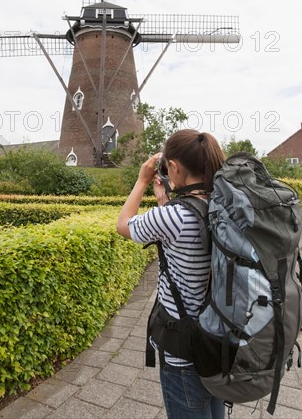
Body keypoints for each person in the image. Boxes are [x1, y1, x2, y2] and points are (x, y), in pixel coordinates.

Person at [117, 129, 226, 419]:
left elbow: (124, 225)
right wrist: (164, 200)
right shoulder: (221, 204)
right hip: (218, 339)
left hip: (184, 350)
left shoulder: (173, 217)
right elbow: (191, 236)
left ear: (174, 167)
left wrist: (141, 181)